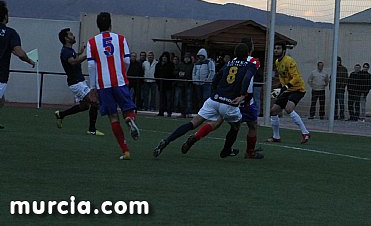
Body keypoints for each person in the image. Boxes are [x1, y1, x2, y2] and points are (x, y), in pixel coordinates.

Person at [153, 43, 257, 159]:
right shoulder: (250, 65)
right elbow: (247, 78)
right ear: (248, 54)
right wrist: (242, 95)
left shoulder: (228, 64)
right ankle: (226, 150)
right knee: (235, 126)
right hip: (228, 103)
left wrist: (213, 92)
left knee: (193, 123)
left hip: (214, 100)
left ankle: (167, 140)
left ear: (235, 54)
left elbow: (217, 76)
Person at [86, 12, 140, 160]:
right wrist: (122, 73)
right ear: (111, 24)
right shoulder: (121, 39)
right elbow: (127, 61)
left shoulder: (92, 42)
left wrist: (93, 87)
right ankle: (129, 119)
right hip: (120, 81)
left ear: (97, 26)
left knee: (113, 117)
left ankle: (125, 151)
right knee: (128, 109)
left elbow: (91, 65)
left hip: (103, 85)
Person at [55, 28, 103, 135]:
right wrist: (87, 56)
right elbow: (72, 62)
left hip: (79, 81)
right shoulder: (65, 51)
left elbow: (74, 57)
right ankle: (92, 130)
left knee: (84, 106)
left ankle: (61, 115)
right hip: (76, 83)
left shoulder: (70, 50)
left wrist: (80, 52)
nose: (74, 36)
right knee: (94, 102)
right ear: (66, 38)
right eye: (71, 35)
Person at [0, 0, 36, 128]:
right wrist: (29, 60)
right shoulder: (10, 33)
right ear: (5, 16)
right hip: (1, 75)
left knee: (1, 100)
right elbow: (19, 52)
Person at [267, 41, 310, 144]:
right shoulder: (277, 62)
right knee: (273, 111)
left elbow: (296, 77)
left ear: (284, 50)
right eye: (275, 48)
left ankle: (305, 133)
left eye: (278, 48)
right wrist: (278, 88)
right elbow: (282, 77)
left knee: (288, 109)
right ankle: (276, 137)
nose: (276, 50)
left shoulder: (289, 61)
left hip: (298, 89)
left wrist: (284, 87)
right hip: (287, 90)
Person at [155, 51, 174, 117]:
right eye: (163, 57)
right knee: (161, 100)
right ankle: (161, 112)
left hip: (168, 85)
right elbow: (156, 74)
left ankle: (169, 112)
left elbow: (172, 74)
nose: (164, 58)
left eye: (166, 57)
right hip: (161, 85)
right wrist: (158, 82)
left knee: (169, 99)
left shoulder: (171, 65)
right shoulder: (158, 64)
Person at [174, 52, 194, 118]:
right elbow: (175, 72)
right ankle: (182, 112)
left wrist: (185, 76)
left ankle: (189, 112)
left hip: (188, 84)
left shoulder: (192, 65)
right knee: (181, 99)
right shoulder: (180, 65)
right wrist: (179, 74)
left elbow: (192, 74)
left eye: (188, 58)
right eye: (185, 58)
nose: (186, 59)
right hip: (180, 84)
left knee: (189, 99)